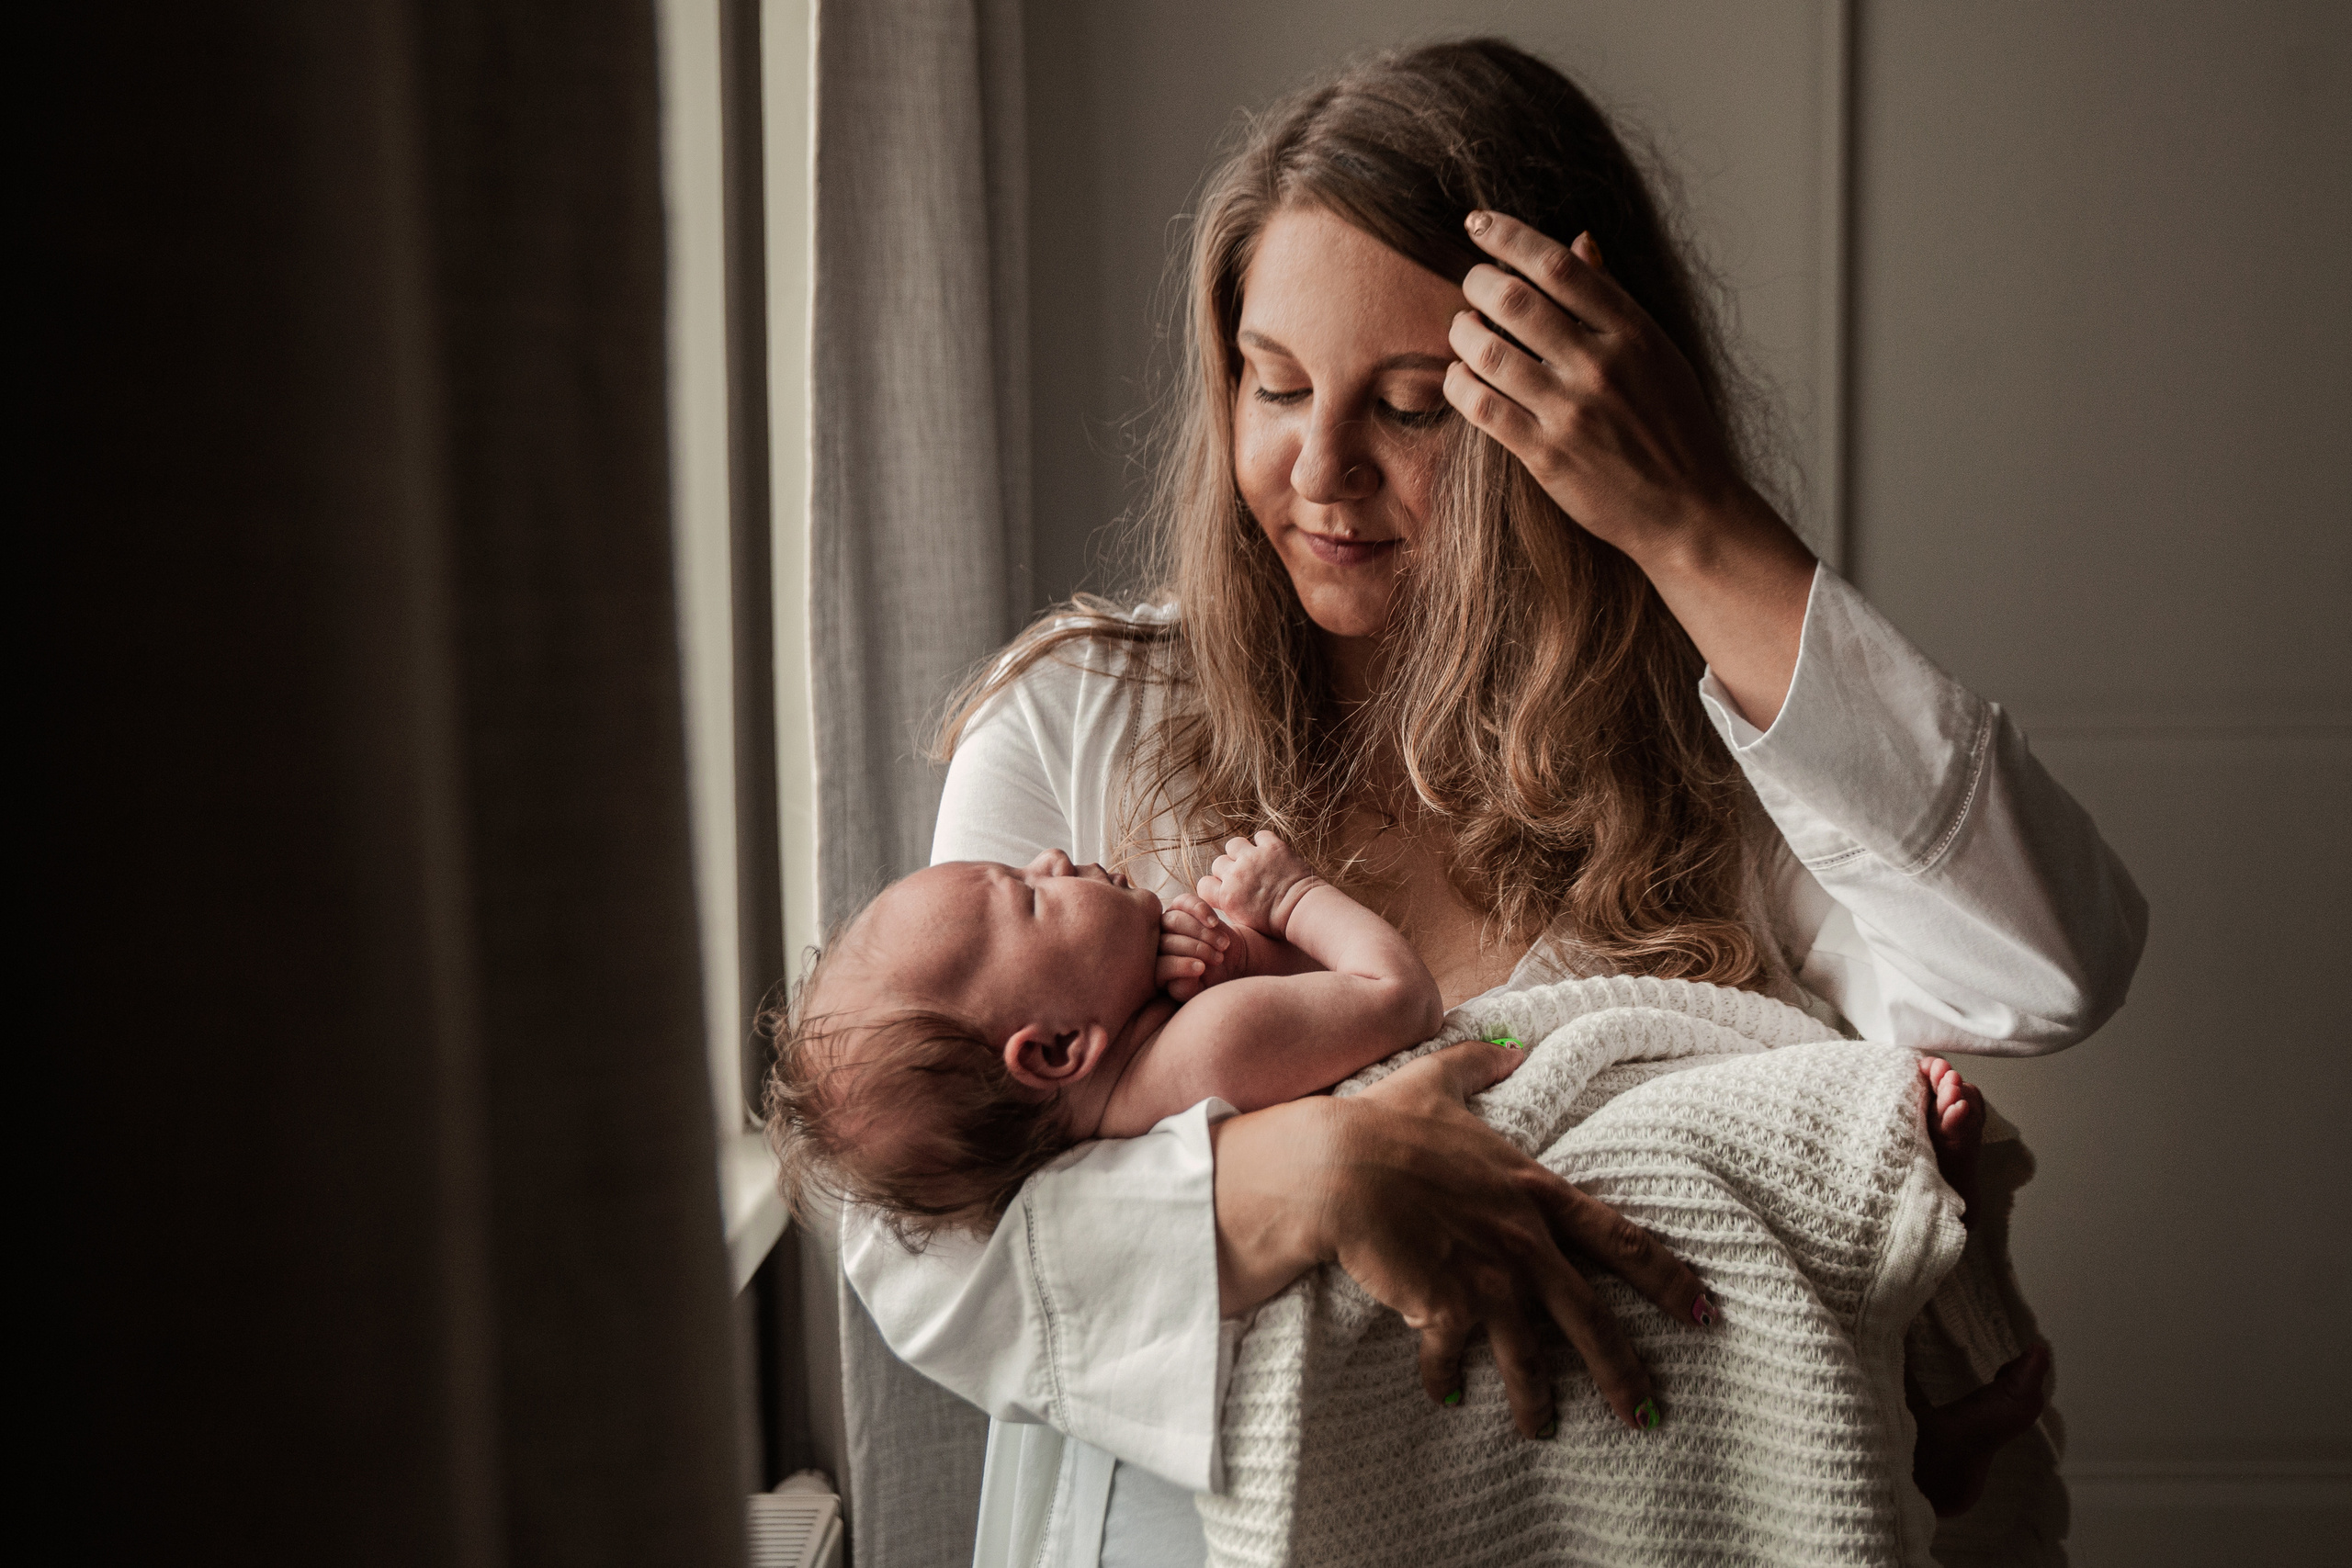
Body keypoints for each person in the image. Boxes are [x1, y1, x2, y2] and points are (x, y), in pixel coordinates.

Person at [846, 38, 2147, 1567]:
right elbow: (921, 1231)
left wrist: (1696, 521)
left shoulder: (1719, 743)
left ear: (1587, 418)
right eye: (1273, 385)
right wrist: (1311, 1174)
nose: (1319, 469)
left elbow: (2044, 969)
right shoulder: (1080, 721)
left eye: (1410, 407)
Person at [766, 835, 1450, 1245]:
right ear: (1060, 1048)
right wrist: (1291, 896)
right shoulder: (1214, 1044)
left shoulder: (1146, 1074)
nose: (1052, 857)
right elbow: (1402, 998)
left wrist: (1241, 962)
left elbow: (1308, 1017)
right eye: (1032, 896)